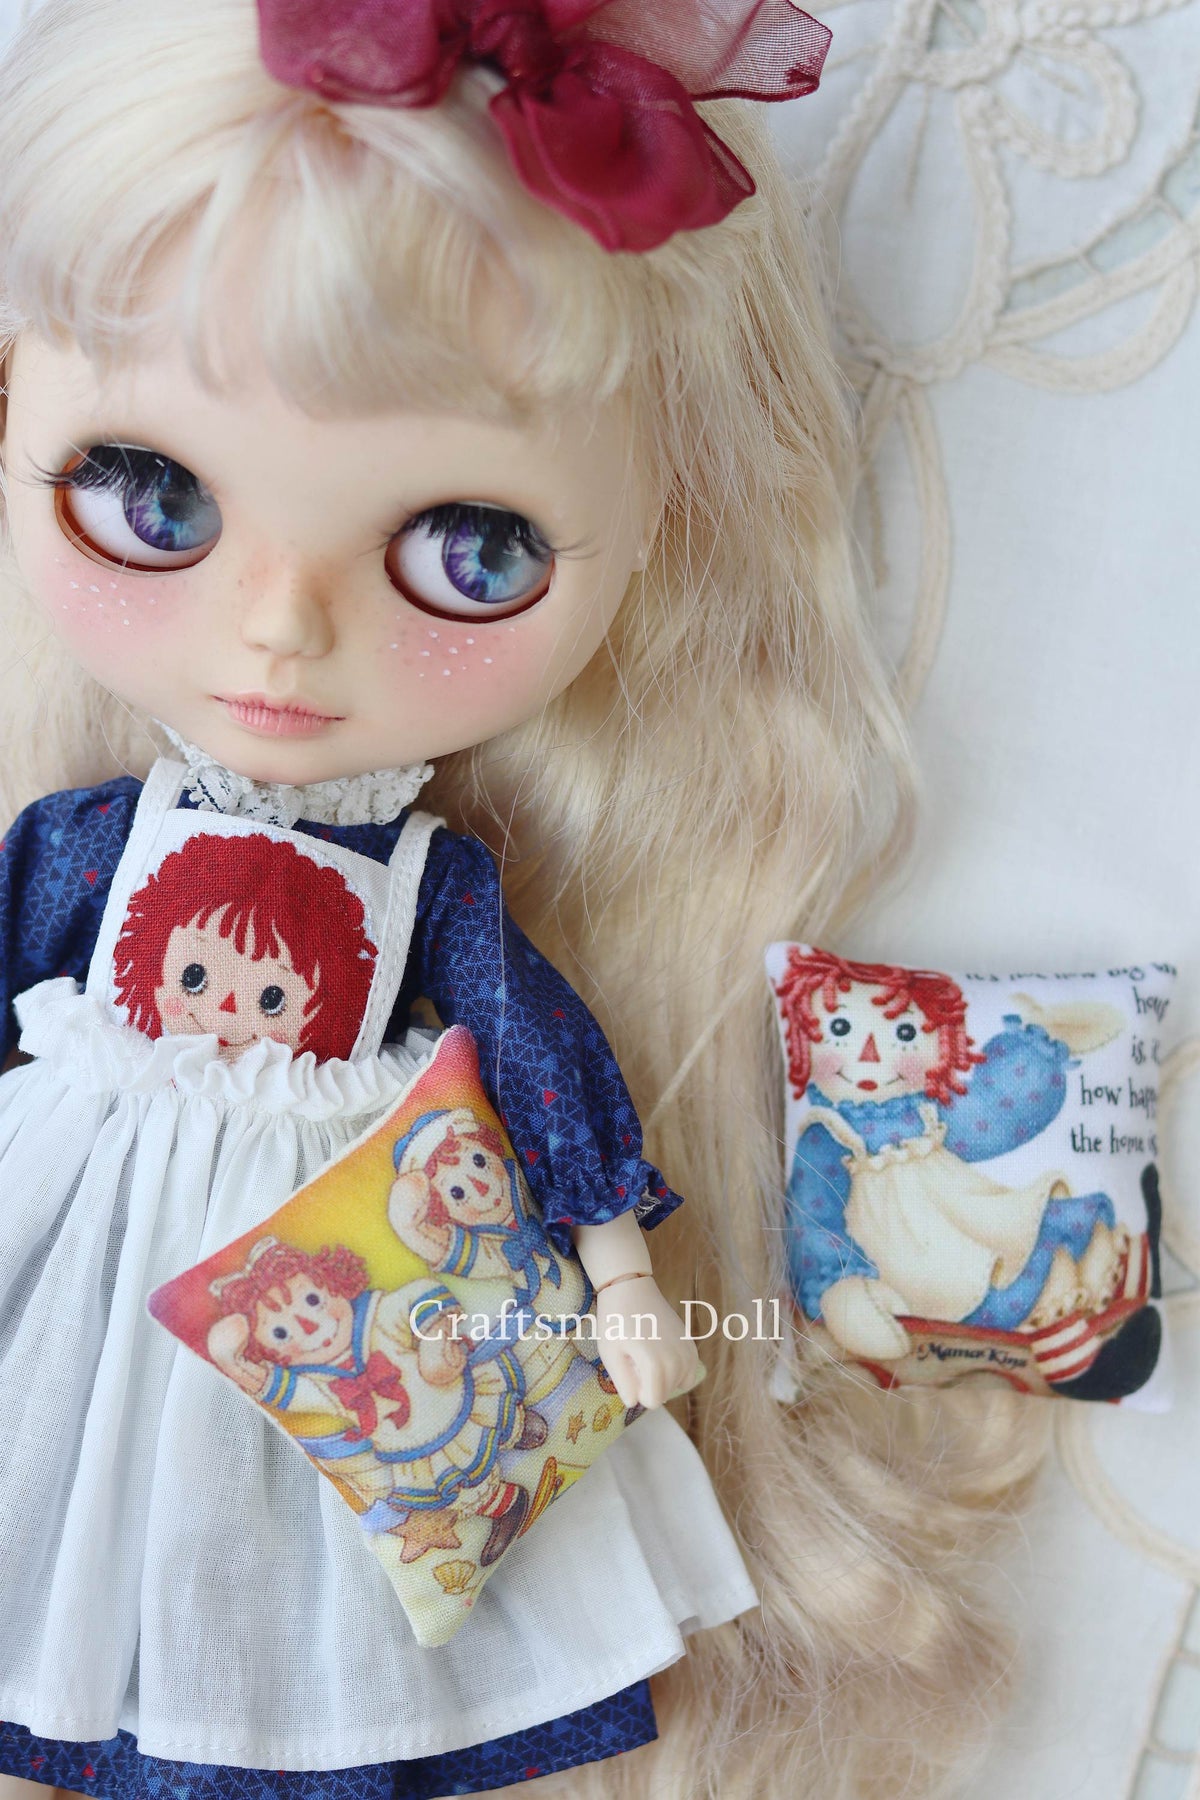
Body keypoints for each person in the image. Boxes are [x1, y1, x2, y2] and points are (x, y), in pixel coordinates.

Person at [0, 2, 1030, 1796]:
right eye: (151, 494)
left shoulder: (438, 896)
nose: (279, 631)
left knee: (296, 1569)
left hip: (348, 1262)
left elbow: (543, 1070)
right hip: (79, 1218)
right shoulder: (83, 845)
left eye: (466, 550)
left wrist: (623, 1279)